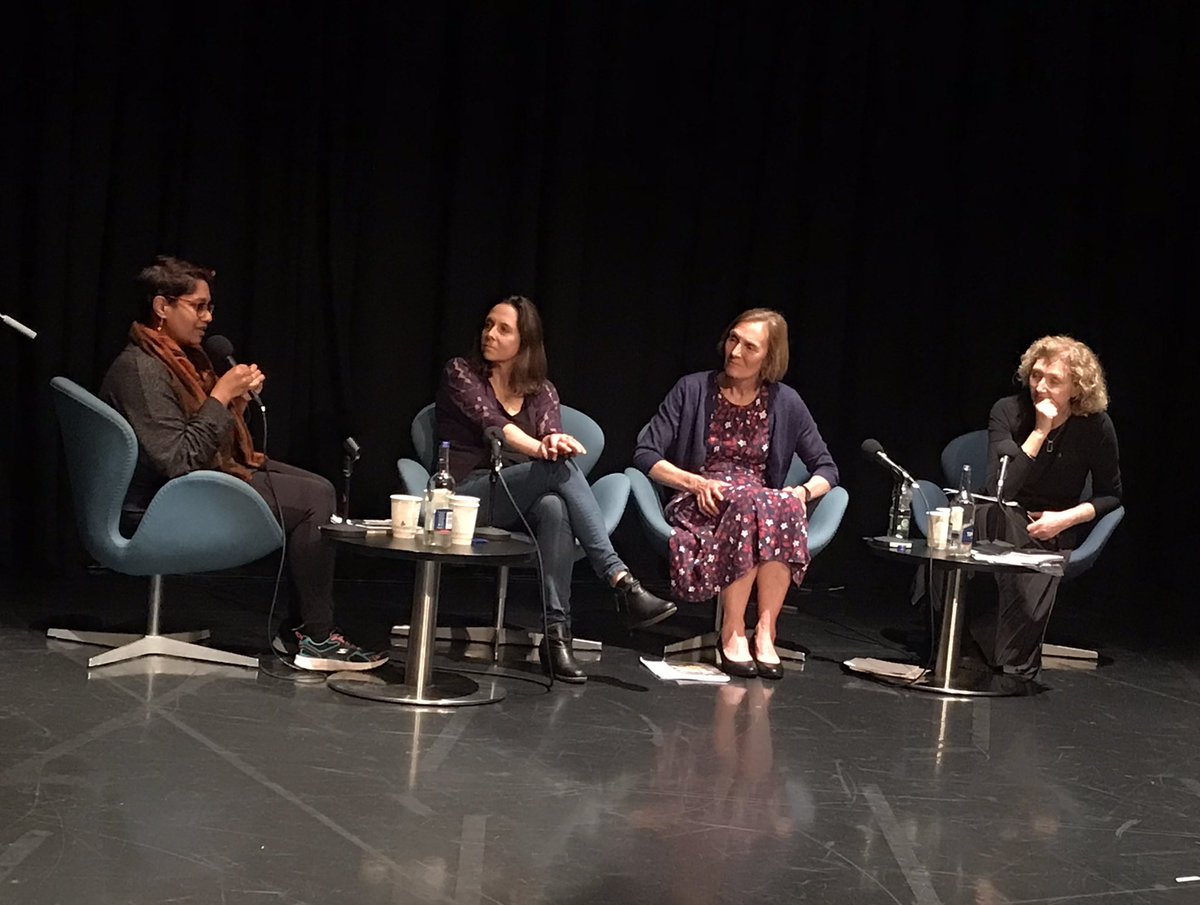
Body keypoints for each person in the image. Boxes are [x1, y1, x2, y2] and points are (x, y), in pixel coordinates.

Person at [100, 255, 386, 672]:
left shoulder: (179, 359)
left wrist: (231, 400)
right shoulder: (141, 368)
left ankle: (303, 630)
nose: (208, 318)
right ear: (162, 307)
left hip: (195, 483)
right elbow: (177, 459)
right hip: (162, 502)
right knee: (310, 502)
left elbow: (201, 437)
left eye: (209, 307)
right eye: (198, 306)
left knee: (321, 489)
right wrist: (218, 397)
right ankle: (316, 637)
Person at [436, 295, 677, 683]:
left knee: (554, 507)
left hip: (522, 497)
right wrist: (543, 449)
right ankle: (620, 580)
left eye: (503, 329)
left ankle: (555, 637)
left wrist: (555, 443)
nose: (490, 335)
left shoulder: (541, 390)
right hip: (467, 498)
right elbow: (494, 424)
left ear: (525, 342)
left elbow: (551, 432)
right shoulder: (462, 373)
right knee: (553, 471)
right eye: (488, 325)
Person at [632, 308, 839, 679]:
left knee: (781, 504)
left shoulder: (785, 402)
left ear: (769, 358)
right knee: (753, 504)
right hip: (699, 498)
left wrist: (802, 493)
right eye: (733, 339)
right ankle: (731, 630)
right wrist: (695, 483)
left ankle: (765, 630)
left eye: (749, 346)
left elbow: (827, 469)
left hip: (759, 505)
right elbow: (646, 454)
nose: (735, 352)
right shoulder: (692, 389)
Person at [970, 334, 1122, 679]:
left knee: (1034, 543)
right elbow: (1000, 487)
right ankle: (1006, 653)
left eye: (1054, 381)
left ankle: (997, 647)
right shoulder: (1008, 410)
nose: (1041, 387)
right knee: (1001, 518)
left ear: (1076, 388)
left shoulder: (1096, 426)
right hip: (997, 512)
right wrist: (1040, 431)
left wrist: (1066, 519)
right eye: (1037, 376)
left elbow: (1111, 494)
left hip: (1052, 524)